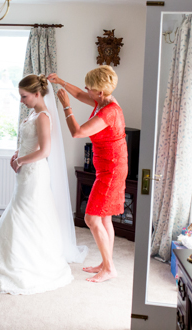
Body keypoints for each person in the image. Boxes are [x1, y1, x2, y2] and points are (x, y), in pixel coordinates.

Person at [0, 74, 87, 295]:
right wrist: (17, 153)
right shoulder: (32, 113)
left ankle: (25, 264)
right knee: (20, 211)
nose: (21, 100)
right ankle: (9, 258)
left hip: (34, 174)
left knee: (24, 213)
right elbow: (28, 143)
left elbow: (45, 151)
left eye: (24, 96)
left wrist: (21, 160)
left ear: (37, 94)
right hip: (24, 173)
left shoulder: (43, 116)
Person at [48, 66, 127, 283]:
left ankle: (109, 268)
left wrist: (66, 106)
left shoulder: (109, 111)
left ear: (100, 93)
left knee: (91, 218)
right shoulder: (105, 100)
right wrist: (60, 81)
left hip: (111, 170)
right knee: (105, 217)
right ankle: (106, 261)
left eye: (90, 88)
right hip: (111, 167)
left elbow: (77, 132)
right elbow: (82, 95)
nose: (86, 90)